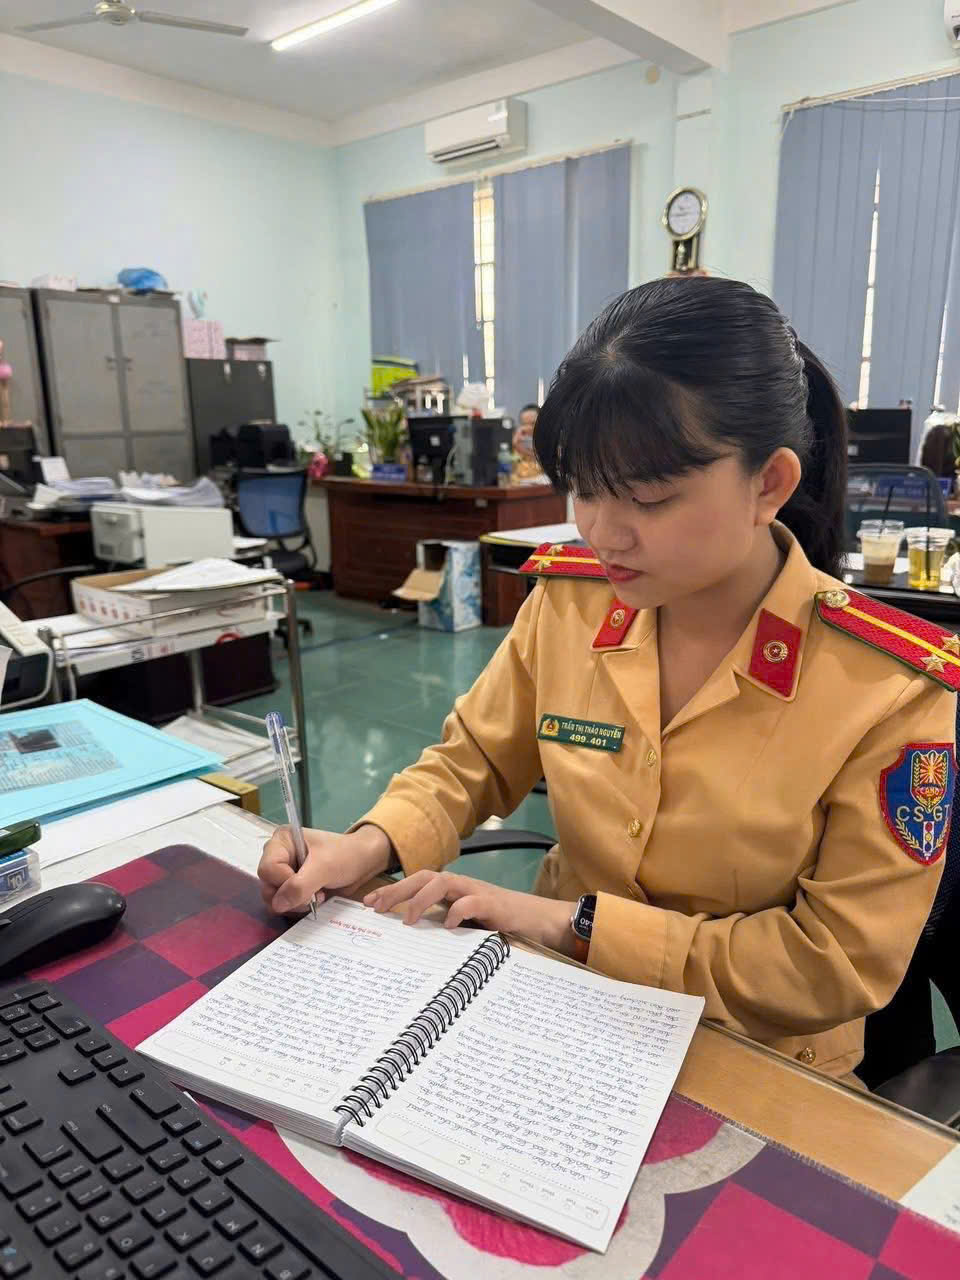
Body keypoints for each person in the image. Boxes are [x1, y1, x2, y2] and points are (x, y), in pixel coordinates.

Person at [259, 278, 957, 1081]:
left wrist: (574, 927)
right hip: (561, 1010)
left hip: (754, 1057)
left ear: (768, 484)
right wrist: (368, 843)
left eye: (648, 499)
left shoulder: (887, 686)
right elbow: (474, 761)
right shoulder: (572, 605)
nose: (602, 532)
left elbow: (834, 964)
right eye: (584, 489)